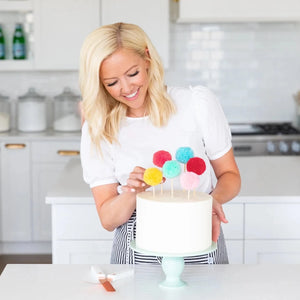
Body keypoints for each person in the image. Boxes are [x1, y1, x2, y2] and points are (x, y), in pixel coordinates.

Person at [79, 22, 241, 264]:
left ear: (147, 58)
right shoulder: (98, 128)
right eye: (112, 83)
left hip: (200, 233)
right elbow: (108, 219)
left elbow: (230, 175)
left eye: (132, 74)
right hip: (136, 252)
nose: (126, 88)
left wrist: (211, 202)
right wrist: (132, 192)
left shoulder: (196, 103)